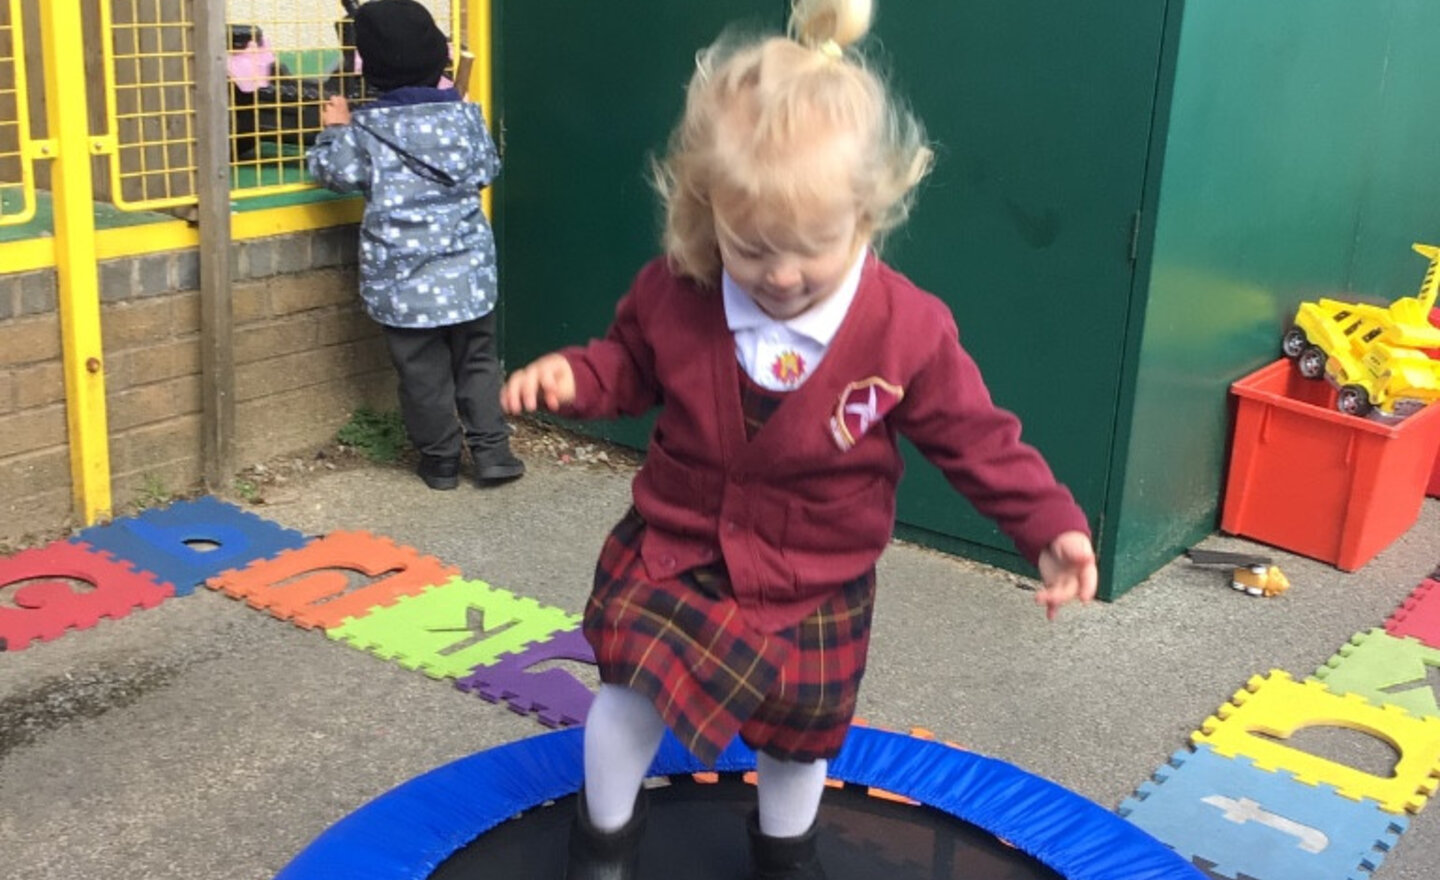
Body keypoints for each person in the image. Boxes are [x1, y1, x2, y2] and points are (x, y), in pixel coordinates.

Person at [500, 0, 1097, 876]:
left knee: (800, 737)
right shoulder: (679, 289)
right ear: (709, 218)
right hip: (677, 550)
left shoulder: (908, 330)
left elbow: (977, 438)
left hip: (818, 578)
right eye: (750, 247)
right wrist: (574, 381)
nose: (779, 274)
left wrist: (1050, 526)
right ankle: (602, 842)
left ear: (867, 212)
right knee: (627, 694)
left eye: (810, 246)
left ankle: (786, 854)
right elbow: (624, 364)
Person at [307, 0, 523, 490]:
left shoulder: (367, 130)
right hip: (468, 279)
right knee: (479, 362)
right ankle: (493, 453)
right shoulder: (466, 116)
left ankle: (441, 461)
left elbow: (333, 174)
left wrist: (335, 128)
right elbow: (487, 169)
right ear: (439, 58)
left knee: (422, 374)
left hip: (404, 287)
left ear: (371, 71)